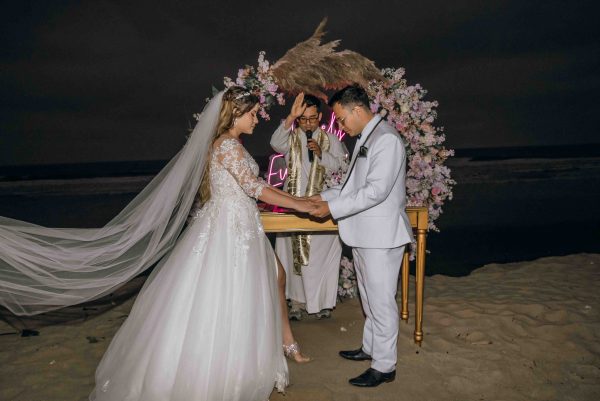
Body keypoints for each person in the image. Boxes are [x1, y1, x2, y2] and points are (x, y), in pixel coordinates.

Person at [88, 86, 314, 400]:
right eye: (251, 114)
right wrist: (301, 205)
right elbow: (254, 187)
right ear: (235, 114)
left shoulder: (228, 143)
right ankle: (226, 370)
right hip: (230, 230)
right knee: (230, 293)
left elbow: (252, 185)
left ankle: (279, 346)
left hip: (241, 224)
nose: (256, 119)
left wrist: (297, 201)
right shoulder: (227, 145)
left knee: (265, 281)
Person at [308, 85, 414, 388]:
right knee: (368, 295)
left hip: (381, 235)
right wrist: (322, 197)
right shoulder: (367, 137)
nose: (341, 126)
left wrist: (332, 208)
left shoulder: (386, 139)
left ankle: (384, 365)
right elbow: (352, 186)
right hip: (365, 233)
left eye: (342, 119)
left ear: (357, 110)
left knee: (381, 301)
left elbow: (376, 191)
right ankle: (370, 347)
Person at [270, 93, 347, 320]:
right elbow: (275, 143)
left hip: (322, 207)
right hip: (294, 206)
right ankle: (296, 303)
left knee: (320, 258)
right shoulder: (290, 137)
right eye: (303, 119)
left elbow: (343, 168)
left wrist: (322, 154)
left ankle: (323, 303)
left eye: (312, 119)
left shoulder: (331, 140)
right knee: (292, 256)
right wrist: (290, 117)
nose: (308, 124)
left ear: (320, 117)